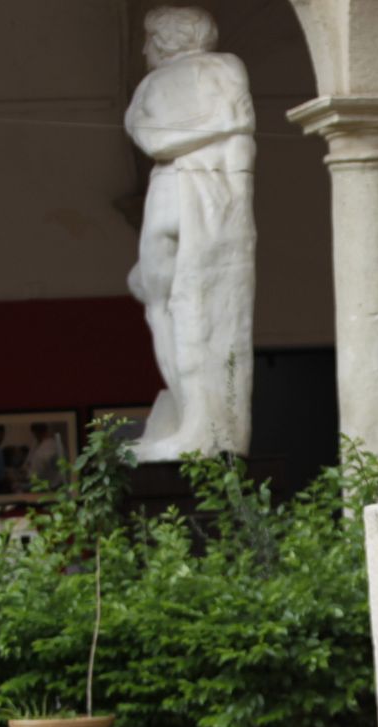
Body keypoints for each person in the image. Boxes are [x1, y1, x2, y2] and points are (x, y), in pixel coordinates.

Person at [124, 5, 256, 462]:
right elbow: (154, 140)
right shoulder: (230, 70)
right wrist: (220, 125)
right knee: (166, 298)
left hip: (174, 191)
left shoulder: (157, 83)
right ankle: (193, 416)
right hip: (210, 198)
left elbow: (155, 139)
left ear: (165, 41)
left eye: (148, 40)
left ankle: (197, 420)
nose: (144, 49)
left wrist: (197, 133)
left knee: (167, 302)